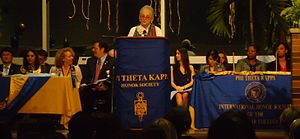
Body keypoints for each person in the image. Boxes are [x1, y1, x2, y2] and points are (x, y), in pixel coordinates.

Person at [80, 40, 114, 113]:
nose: (93, 50)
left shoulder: (112, 62)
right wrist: (83, 84)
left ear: (102, 49)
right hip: (91, 89)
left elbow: (113, 79)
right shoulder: (90, 61)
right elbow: (86, 77)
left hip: (105, 91)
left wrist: (106, 86)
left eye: (95, 48)